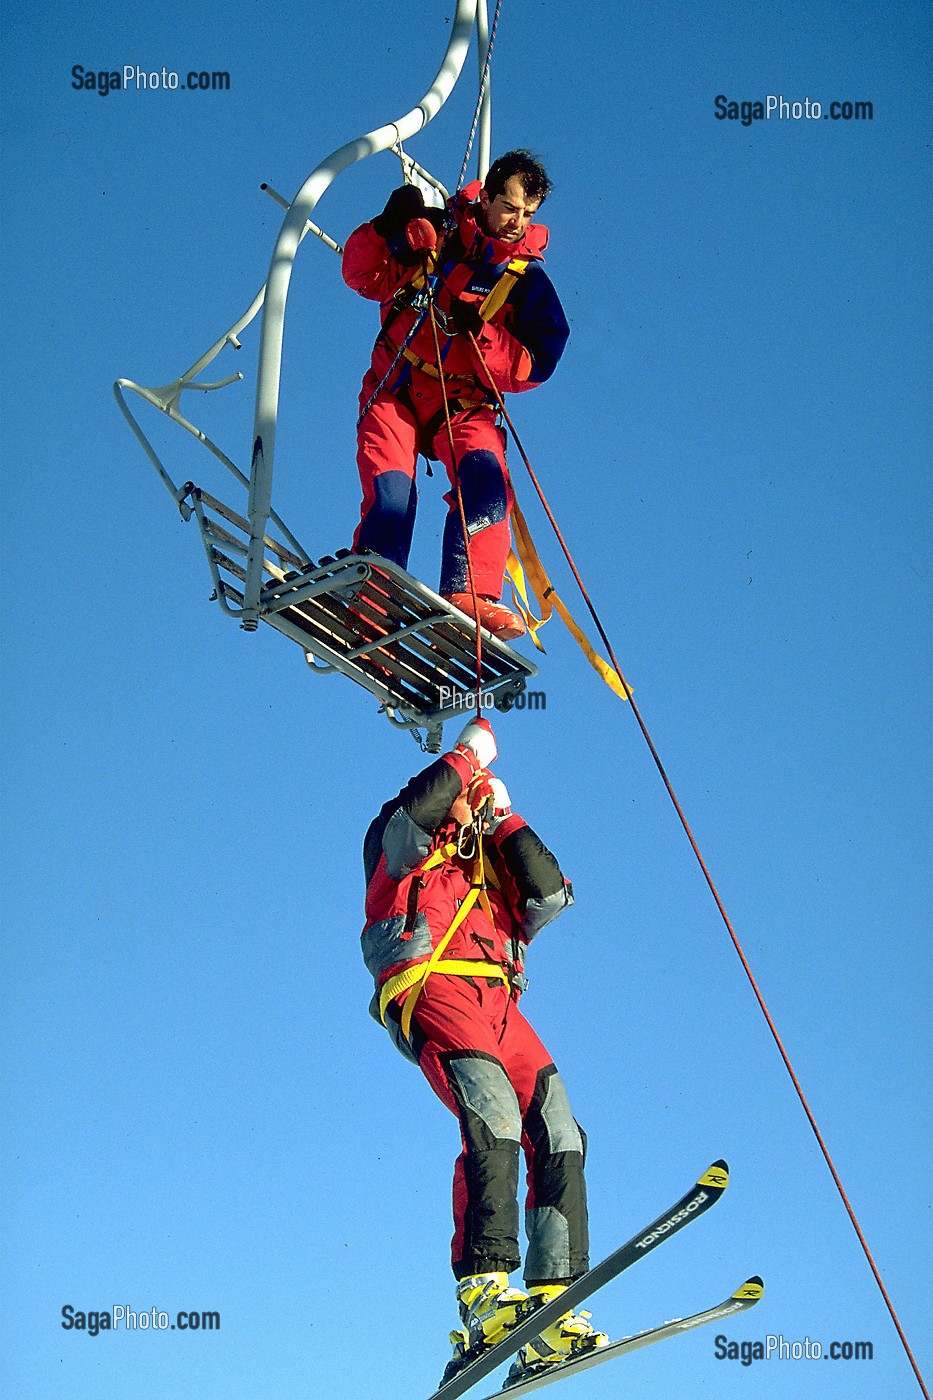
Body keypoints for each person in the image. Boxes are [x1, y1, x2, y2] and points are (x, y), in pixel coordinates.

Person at [360, 717, 608, 1385]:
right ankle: (484, 1293)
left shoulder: (490, 872)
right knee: (492, 1117)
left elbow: (550, 893)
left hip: (498, 1006)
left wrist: (502, 816)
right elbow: (419, 806)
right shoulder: (400, 851)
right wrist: (467, 758)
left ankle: (554, 1301)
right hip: (431, 984)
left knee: (560, 1132)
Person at [342, 150, 570, 641]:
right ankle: (373, 595)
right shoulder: (433, 234)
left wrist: (483, 334)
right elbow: (362, 275)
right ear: (485, 197)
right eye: (509, 207)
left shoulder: (525, 283)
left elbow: (533, 365)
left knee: (487, 481)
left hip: (463, 404)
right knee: (391, 496)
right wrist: (387, 228)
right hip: (397, 388)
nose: (517, 222)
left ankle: (471, 595)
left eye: (528, 214)